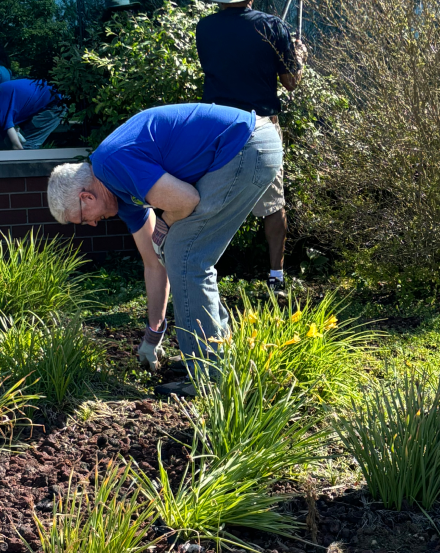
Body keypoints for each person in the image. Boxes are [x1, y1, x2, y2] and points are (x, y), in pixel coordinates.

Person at [47, 103, 282, 395]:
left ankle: (209, 376)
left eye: (82, 220)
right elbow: (154, 264)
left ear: (86, 197)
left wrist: (161, 227)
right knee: (179, 254)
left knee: (187, 258)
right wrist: (152, 335)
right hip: (246, 146)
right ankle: (216, 358)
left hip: (246, 146)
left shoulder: (113, 164)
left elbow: (185, 201)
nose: (91, 225)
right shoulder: (121, 195)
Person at [196, 0, 308, 294]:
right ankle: (276, 277)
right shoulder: (273, 26)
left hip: (217, 127)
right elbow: (291, 82)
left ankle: (203, 269)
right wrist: (298, 57)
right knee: (273, 204)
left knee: (212, 202)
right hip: (261, 126)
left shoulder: (204, 28)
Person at [0, 79, 65, 150]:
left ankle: (27, 159)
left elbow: (17, 146)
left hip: (55, 103)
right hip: (37, 98)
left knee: (28, 144)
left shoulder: (2, 109)